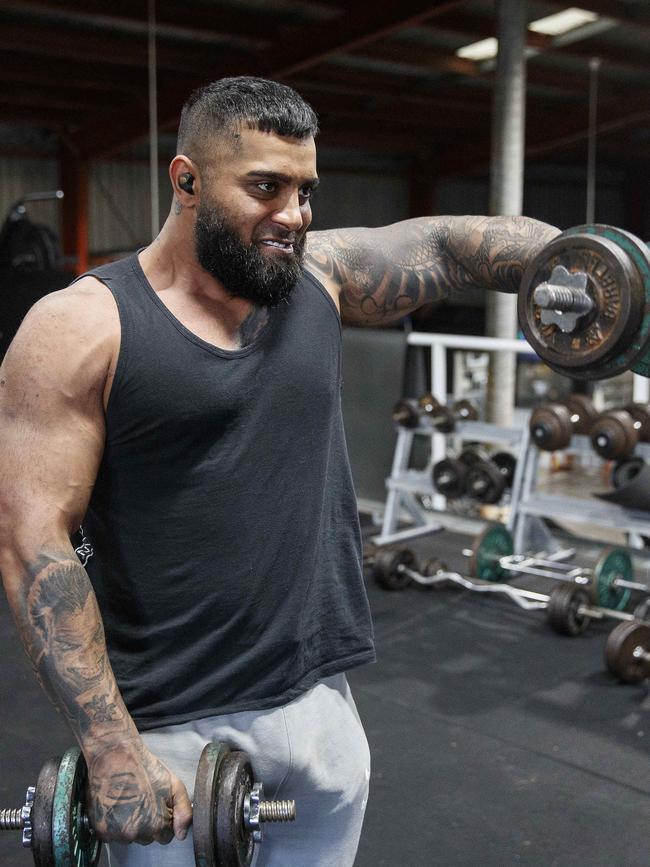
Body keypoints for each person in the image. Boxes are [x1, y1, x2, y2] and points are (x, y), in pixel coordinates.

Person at [0, 76, 559, 867]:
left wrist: (586, 263)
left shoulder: (319, 279)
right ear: (187, 180)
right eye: (266, 186)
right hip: (167, 732)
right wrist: (109, 747)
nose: (293, 215)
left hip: (319, 708)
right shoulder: (79, 328)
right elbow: (33, 543)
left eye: (305, 190)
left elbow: (446, 245)